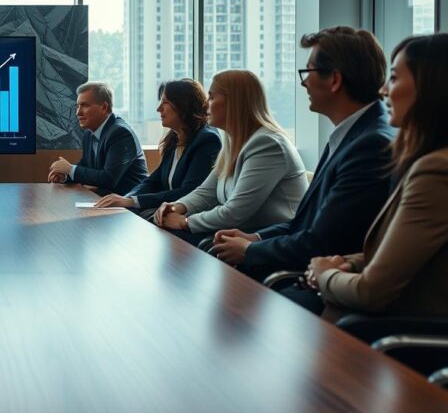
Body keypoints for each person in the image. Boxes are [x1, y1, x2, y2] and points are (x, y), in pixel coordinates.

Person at [210, 27, 395, 280]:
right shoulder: (351, 135)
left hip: (327, 279)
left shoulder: (370, 145)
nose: (303, 82)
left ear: (334, 80)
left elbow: (323, 242)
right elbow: (304, 224)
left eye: (308, 72)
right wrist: (256, 238)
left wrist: (250, 250)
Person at [305, 34, 448, 321]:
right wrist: (347, 263)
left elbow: (371, 292)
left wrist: (324, 274)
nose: (383, 90)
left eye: (394, 78)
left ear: (431, 88)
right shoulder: (424, 159)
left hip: (408, 330)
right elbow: (400, 253)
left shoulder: (435, 171)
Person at [155, 70, 307, 246]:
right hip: (243, 233)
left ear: (235, 102)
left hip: (269, 241)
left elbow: (235, 212)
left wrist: (185, 222)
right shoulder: (234, 141)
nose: (204, 104)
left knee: (177, 239)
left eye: (212, 97)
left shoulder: (267, 144)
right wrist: (176, 206)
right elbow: (207, 192)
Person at [94, 79, 221, 219]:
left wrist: (132, 201)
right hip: (167, 212)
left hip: (188, 218)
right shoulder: (175, 137)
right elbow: (154, 181)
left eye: (165, 102)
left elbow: (188, 192)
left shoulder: (207, 140)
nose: (159, 108)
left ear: (183, 105)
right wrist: (126, 199)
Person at [47, 81, 148, 196]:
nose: (78, 113)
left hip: (129, 202)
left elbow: (108, 178)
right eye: (78, 106)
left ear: (104, 107)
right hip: (104, 198)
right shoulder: (89, 133)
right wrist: (65, 175)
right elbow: (86, 165)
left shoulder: (120, 133)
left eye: (85, 105)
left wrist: (70, 169)